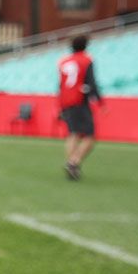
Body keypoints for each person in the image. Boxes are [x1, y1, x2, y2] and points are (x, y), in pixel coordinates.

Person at [58, 34, 103, 181]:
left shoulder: (64, 61)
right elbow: (91, 82)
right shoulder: (86, 60)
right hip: (79, 100)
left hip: (66, 100)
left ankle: (71, 164)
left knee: (73, 133)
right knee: (90, 136)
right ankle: (73, 162)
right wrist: (100, 101)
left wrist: (60, 104)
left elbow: (61, 84)